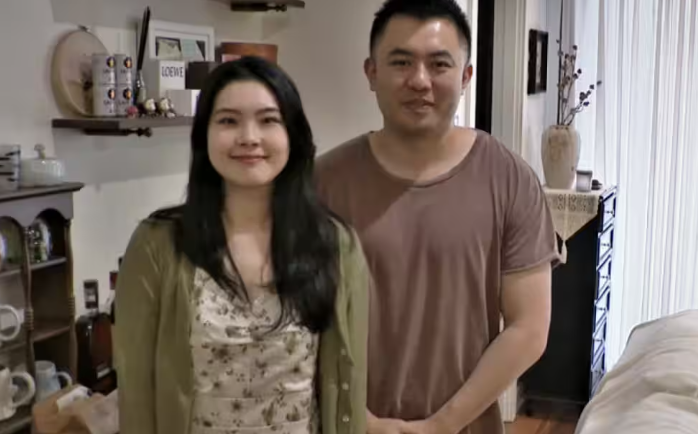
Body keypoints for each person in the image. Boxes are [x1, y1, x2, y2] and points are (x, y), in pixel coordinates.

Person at [315, 1, 559, 433]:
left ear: (466, 76)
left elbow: (529, 327)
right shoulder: (322, 183)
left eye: (439, 64)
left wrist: (442, 424)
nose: (419, 80)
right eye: (401, 62)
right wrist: (359, 419)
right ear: (371, 73)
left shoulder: (509, 179)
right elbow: (297, 321)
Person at [114, 56, 369, 434]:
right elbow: (136, 393)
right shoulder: (157, 245)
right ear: (204, 136)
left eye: (268, 120)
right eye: (228, 121)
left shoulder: (335, 245)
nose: (249, 137)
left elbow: (350, 384)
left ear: (293, 135)